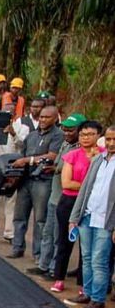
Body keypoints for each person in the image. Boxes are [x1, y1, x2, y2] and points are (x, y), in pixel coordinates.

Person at [26, 113, 85, 278]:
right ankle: (43, 264)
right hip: (55, 194)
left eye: (71, 130)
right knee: (48, 231)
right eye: (65, 129)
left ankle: (55, 269)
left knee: (60, 236)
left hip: (67, 197)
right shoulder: (65, 144)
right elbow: (59, 164)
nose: (66, 133)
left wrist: (57, 169)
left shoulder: (81, 150)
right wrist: (53, 169)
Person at [65, 125, 115, 308]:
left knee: (99, 260)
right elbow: (85, 189)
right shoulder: (98, 160)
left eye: (114, 140)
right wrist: (75, 217)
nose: (111, 143)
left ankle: (98, 299)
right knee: (86, 257)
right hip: (88, 216)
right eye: (108, 139)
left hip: (106, 221)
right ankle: (86, 292)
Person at [49, 120, 103, 293]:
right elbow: (66, 183)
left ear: (98, 136)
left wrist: (83, 185)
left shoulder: (103, 156)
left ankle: (83, 283)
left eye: (90, 134)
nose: (86, 138)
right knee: (65, 241)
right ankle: (59, 278)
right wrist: (90, 186)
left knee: (86, 246)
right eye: (83, 134)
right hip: (69, 202)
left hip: (93, 204)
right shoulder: (72, 154)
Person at [7, 106, 64, 259]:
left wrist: (27, 160)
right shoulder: (32, 136)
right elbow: (22, 153)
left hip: (43, 181)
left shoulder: (58, 135)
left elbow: (52, 156)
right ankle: (17, 247)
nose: (43, 119)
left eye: (47, 117)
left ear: (55, 118)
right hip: (26, 180)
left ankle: (38, 254)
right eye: (41, 117)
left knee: (40, 219)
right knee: (19, 216)